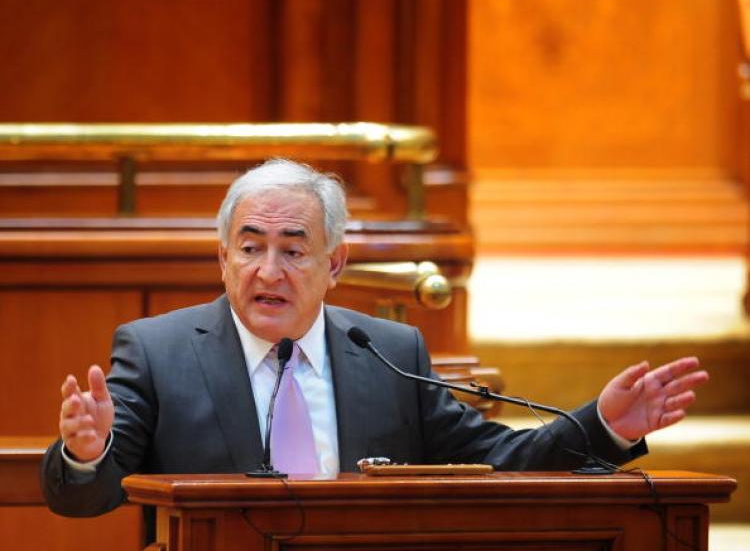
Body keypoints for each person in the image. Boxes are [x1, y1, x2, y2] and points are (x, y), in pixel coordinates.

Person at [41, 159, 709, 538]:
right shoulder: (158, 350)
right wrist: (85, 452)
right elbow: (82, 499)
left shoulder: (388, 350)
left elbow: (497, 460)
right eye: (249, 248)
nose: (268, 271)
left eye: (293, 251)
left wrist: (604, 426)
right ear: (222, 258)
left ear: (335, 263)